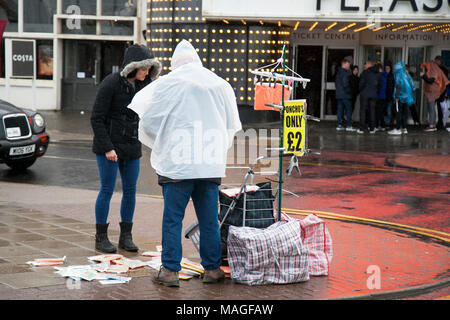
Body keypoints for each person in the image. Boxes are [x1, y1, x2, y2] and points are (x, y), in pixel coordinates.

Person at [128, 40, 242, 287]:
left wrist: (165, 139)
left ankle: (170, 271)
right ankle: (212, 269)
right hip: (208, 166)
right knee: (209, 219)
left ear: (175, 63)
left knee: (173, 219)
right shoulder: (218, 84)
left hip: (177, 167)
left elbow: (148, 122)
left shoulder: (168, 84)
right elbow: (230, 123)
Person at [90, 44, 162, 253]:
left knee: (130, 191)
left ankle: (126, 237)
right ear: (132, 67)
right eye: (143, 68)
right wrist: (107, 148)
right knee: (107, 190)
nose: (147, 72)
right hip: (109, 148)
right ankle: (101, 237)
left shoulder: (144, 86)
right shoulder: (111, 83)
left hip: (131, 146)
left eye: (149, 69)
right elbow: (97, 118)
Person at [420, 58, 450, 132]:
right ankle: (433, 124)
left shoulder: (434, 71)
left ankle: (432, 125)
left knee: (432, 108)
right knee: (432, 108)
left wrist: (423, 76)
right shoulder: (436, 70)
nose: (427, 68)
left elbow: (430, 80)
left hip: (433, 93)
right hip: (435, 92)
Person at [388, 62, 416, 135]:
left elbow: (398, 86)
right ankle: (404, 128)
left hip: (400, 97)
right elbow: (413, 85)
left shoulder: (398, 75)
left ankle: (397, 129)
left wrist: (397, 96)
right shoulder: (407, 75)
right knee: (405, 113)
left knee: (398, 112)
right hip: (407, 98)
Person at [357, 60, 381, 134]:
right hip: (374, 94)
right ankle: (372, 128)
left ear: (369, 65)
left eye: (365, 64)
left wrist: (360, 90)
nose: (364, 66)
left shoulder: (365, 72)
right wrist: (376, 91)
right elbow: (380, 85)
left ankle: (361, 128)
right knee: (372, 111)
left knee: (363, 111)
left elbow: (361, 83)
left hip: (365, 94)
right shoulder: (378, 73)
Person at [335, 59, 355, 131]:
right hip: (345, 94)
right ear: (344, 64)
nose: (349, 66)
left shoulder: (338, 72)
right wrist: (349, 91)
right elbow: (345, 84)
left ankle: (339, 124)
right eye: (348, 64)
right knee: (349, 109)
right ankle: (349, 125)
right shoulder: (345, 73)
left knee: (340, 109)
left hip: (339, 94)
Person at [434, 56, 449, 130]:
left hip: (441, 91)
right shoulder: (443, 69)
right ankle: (440, 123)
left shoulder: (442, 69)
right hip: (440, 91)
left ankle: (441, 123)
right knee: (440, 107)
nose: (435, 62)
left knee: (441, 107)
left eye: (436, 61)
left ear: (439, 61)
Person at [376, 63, 387, 131]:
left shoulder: (380, 76)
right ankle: (382, 125)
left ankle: (379, 125)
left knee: (378, 112)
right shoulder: (384, 76)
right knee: (381, 112)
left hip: (379, 96)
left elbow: (378, 86)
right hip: (383, 96)